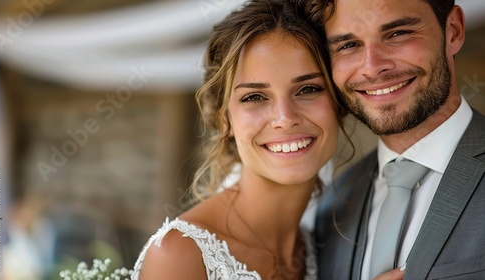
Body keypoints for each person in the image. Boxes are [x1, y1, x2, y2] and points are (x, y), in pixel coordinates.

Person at [129, 0, 345, 279]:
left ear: (340, 102)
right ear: (224, 119)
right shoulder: (181, 254)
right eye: (254, 97)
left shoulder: (315, 245)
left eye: (308, 89)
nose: (285, 117)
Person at [294, 0, 485, 279]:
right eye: (348, 45)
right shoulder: (333, 205)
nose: (372, 68)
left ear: (453, 31)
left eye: (398, 33)